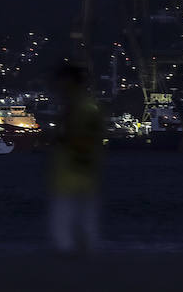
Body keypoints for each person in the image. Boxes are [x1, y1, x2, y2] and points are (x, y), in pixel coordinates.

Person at [49, 63, 104, 252]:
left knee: (69, 214)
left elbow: (85, 137)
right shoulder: (84, 107)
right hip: (79, 171)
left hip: (76, 170)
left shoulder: (83, 108)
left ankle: (71, 250)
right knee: (83, 215)